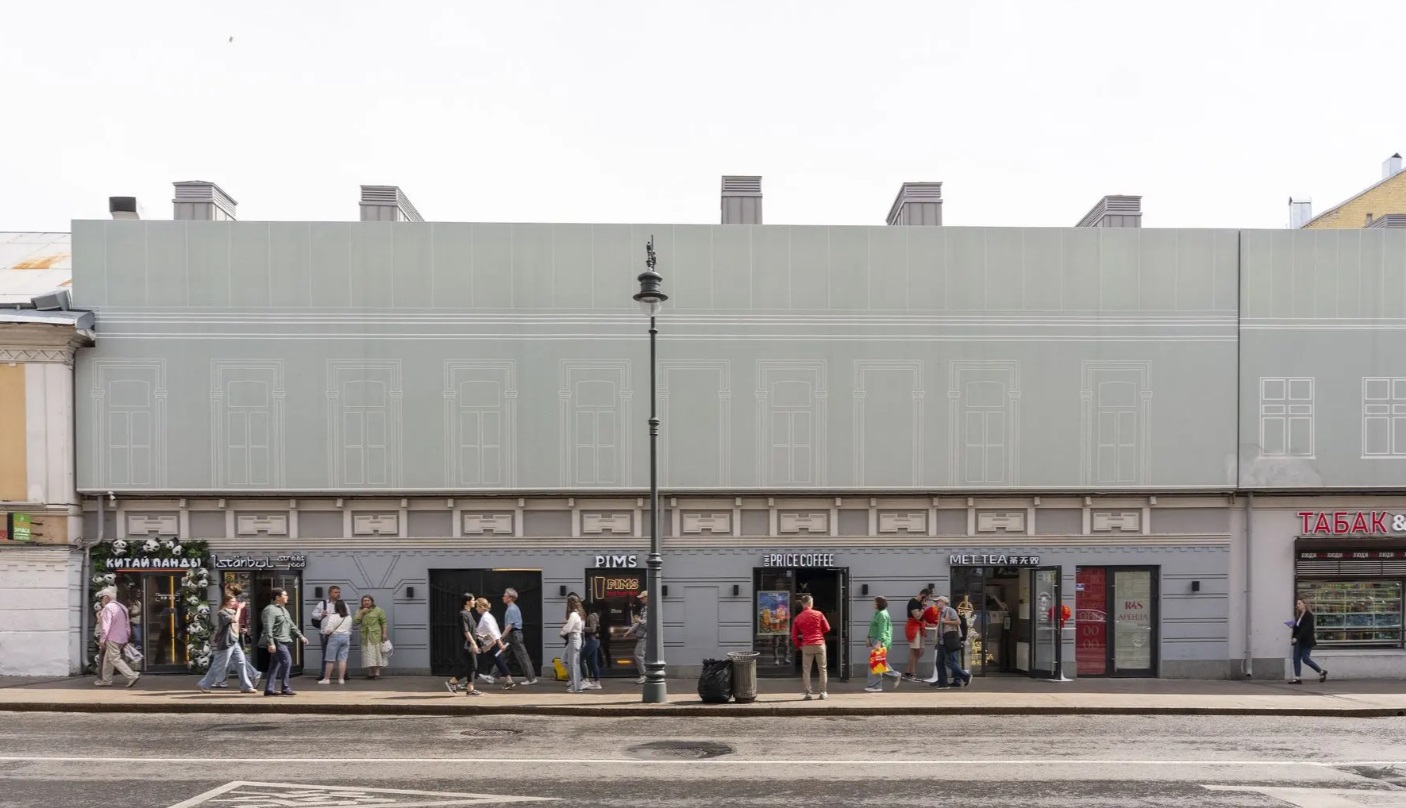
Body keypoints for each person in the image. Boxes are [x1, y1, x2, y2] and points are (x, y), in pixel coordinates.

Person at [198, 594, 255, 693]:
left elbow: (235, 625)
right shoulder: (222, 612)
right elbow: (234, 620)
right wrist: (239, 609)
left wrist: (242, 630)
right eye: (232, 601)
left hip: (234, 641)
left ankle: (246, 686)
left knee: (241, 662)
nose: (234, 603)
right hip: (226, 642)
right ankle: (204, 684)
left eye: (235, 601)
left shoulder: (233, 611)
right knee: (220, 665)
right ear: (226, 602)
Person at [259, 588, 307, 696]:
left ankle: (269, 689)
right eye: (285, 595)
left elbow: (291, 624)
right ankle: (285, 687)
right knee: (287, 662)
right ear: (277, 597)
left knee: (274, 665)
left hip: (285, 640)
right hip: (277, 640)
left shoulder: (283, 610)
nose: (287, 597)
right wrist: (271, 643)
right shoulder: (270, 610)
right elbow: (268, 627)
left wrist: (300, 636)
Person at [95, 587, 140, 688]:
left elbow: (106, 625)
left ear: (106, 597)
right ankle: (106, 680)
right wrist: (127, 635)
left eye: (102, 597)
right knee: (108, 659)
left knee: (115, 658)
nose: (102, 600)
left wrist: (102, 638)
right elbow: (127, 623)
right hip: (122, 637)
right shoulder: (122, 607)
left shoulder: (108, 608)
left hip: (112, 637)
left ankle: (132, 676)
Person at [791, 593, 831, 700]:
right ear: (810, 603)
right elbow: (827, 628)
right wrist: (818, 632)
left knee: (806, 670)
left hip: (807, 645)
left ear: (802, 604)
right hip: (819, 644)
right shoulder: (819, 614)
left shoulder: (798, 618)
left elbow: (793, 636)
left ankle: (808, 693)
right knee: (822, 669)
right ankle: (823, 692)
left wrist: (799, 645)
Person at [474, 597, 516, 689]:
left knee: (475, 660)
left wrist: (499, 642)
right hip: (490, 642)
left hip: (489, 643)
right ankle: (509, 680)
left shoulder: (485, 618)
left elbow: (492, 631)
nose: (476, 608)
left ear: (481, 607)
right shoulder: (489, 616)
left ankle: (468, 682)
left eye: (477, 606)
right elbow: (495, 629)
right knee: (498, 661)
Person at [930, 595, 971, 689]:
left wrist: (946, 622)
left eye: (938, 602)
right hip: (942, 641)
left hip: (948, 641)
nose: (936, 603)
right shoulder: (941, 613)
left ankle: (965, 676)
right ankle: (943, 683)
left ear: (943, 602)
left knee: (949, 662)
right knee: (939, 662)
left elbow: (958, 622)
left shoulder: (950, 610)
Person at [500, 588, 539, 685]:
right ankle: (492, 676)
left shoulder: (512, 609)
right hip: (512, 635)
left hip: (514, 635)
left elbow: (510, 624)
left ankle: (531, 678)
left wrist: (502, 636)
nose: (503, 597)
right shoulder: (511, 608)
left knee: (522, 656)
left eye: (505, 595)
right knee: (503, 655)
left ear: (510, 598)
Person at [446, 593, 483, 696]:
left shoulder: (468, 613)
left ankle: (470, 689)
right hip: (467, 644)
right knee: (473, 666)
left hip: (471, 643)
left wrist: (481, 636)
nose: (474, 602)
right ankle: (452, 681)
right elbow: (465, 631)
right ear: (467, 602)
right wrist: (473, 643)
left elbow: (471, 630)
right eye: (473, 600)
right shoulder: (462, 614)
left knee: (471, 666)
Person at [865, 596, 903, 692]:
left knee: (876, 663)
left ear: (879, 603)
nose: (873, 604)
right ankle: (891, 677)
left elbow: (882, 630)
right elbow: (874, 627)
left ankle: (876, 685)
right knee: (877, 662)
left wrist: (879, 642)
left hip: (878, 641)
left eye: (874, 602)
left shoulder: (882, 614)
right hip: (876, 640)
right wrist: (868, 637)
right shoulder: (879, 613)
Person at [1289, 598, 1328, 685]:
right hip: (1298, 640)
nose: (1298, 605)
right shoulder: (1299, 615)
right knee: (1296, 659)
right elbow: (1298, 628)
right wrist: (1293, 628)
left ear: (1304, 604)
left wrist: (1296, 637)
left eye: (1299, 603)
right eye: (1297, 604)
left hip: (1306, 640)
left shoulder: (1309, 615)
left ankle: (1321, 671)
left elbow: (1305, 629)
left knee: (1305, 659)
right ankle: (1297, 678)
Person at [316, 600, 352, 685]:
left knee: (330, 659)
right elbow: (349, 628)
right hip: (346, 637)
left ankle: (326, 679)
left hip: (335, 637)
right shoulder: (348, 617)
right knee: (342, 659)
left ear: (336, 607)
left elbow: (329, 628)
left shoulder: (333, 616)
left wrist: (325, 633)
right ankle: (341, 679)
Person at [353, 595, 389, 679]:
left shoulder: (378, 610)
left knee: (376, 653)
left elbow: (384, 622)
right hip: (365, 636)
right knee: (367, 654)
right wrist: (362, 613)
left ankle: (377, 673)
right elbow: (355, 622)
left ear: (372, 601)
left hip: (375, 635)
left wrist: (384, 634)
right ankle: (371, 673)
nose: (366, 602)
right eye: (364, 601)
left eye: (368, 600)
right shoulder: (359, 610)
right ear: (362, 602)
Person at [903, 587, 931, 682]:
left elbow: (921, 618)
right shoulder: (913, 602)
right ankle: (912, 674)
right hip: (913, 628)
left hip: (919, 627)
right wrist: (923, 608)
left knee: (920, 651)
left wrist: (927, 623)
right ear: (923, 595)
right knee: (914, 651)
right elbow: (917, 616)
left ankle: (908, 672)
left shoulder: (920, 603)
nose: (927, 601)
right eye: (927, 598)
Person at [311, 585, 344, 663]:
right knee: (326, 655)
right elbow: (313, 614)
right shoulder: (322, 603)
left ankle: (341, 671)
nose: (338, 594)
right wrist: (321, 614)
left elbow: (347, 617)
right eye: (336, 592)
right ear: (330, 593)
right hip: (325, 633)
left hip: (339, 633)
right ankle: (324, 671)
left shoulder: (342, 604)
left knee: (340, 655)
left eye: (339, 592)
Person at [561, 594, 586, 693]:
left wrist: (562, 632)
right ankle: (576, 682)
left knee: (573, 663)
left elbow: (569, 626)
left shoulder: (573, 615)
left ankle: (576, 686)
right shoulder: (579, 614)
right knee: (565, 660)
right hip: (576, 637)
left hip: (574, 637)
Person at [623, 590, 649, 684]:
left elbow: (650, 622)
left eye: (642, 598)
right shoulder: (644, 608)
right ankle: (645, 674)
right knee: (642, 655)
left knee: (638, 654)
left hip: (646, 635)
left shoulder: (650, 608)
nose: (641, 600)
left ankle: (644, 675)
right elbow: (638, 622)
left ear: (647, 598)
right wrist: (629, 631)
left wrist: (639, 621)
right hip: (643, 635)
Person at [579, 602, 603, 690]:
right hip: (595, 641)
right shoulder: (595, 615)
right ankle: (597, 682)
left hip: (591, 640)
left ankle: (585, 680)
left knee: (580, 659)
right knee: (593, 662)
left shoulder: (592, 616)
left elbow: (592, 629)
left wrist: (581, 628)